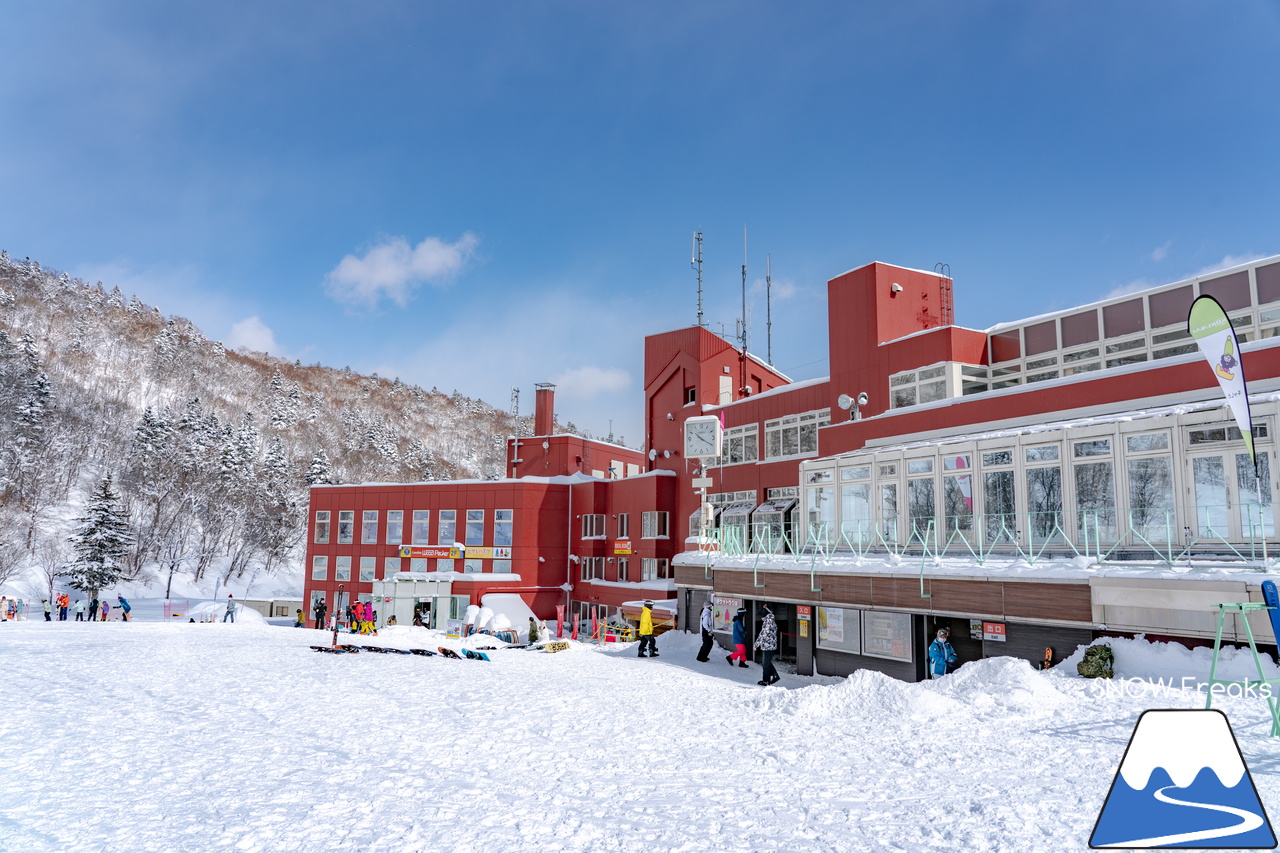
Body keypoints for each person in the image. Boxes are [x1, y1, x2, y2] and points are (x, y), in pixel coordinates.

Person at [755, 603, 780, 686]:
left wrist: (756, 645)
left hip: (767, 645)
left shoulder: (767, 621)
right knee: (767, 662)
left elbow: (763, 634)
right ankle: (774, 675)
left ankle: (766, 680)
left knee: (765, 664)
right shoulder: (772, 620)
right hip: (771, 645)